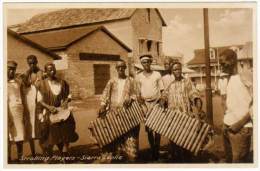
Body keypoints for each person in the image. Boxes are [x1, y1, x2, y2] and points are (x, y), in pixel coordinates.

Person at [98, 60, 139, 163]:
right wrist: (103, 105)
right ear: (116, 69)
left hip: (127, 113)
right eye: (118, 67)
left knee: (129, 135)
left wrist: (131, 98)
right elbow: (105, 95)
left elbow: (137, 94)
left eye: (122, 67)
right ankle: (118, 157)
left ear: (125, 68)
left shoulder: (132, 81)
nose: (121, 69)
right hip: (114, 113)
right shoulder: (111, 81)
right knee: (114, 135)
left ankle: (130, 157)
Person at [36, 62, 78, 161]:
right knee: (50, 134)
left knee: (65, 130)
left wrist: (66, 101)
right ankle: (48, 155)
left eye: (53, 69)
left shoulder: (62, 82)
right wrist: (49, 107)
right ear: (45, 72)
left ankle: (64, 153)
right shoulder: (41, 84)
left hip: (61, 111)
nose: (52, 71)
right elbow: (39, 100)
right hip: (49, 111)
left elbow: (69, 95)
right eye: (49, 69)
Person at [161, 61, 200, 163]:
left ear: (181, 69)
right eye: (174, 69)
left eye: (178, 69)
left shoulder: (187, 82)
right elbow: (163, 98)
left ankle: (187, 162)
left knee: (187, 142)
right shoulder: (170, 85)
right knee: (174, 143)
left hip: (185, 117)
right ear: (172, 71)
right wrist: (161, 102)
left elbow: (194, 95)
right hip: (173, 119)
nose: (177, 71)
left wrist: (198, 107)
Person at [219, 49, 253, 163]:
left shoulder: (247, 75)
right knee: (229, 162)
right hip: (228, 128)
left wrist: (240, 124)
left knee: (238, 164)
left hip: (241, 129)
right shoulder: (228, 77)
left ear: (233, 60)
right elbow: (230, 103)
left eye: (223, 63)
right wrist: (225, 122)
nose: (221, 67)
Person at [135, 54, 164, 161]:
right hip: (145, 105)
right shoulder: (138, 76)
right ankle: (153, 149)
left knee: (158, 128)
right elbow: (137, 93)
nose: (146, 64)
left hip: (156, 103)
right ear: (141, 64)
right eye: (143, 62)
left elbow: (162, 89)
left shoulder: (157, 74)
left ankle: (157, 149)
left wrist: (161, 101)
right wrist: (142, 104)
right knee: (149, 128)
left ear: (150, 63)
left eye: (147, 62)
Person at [21, 55, 44, 157]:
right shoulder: (26, 74)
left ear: (37, 62)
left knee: (41, 128)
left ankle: (44, 151)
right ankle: (33, 153)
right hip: (29, 104)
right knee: (30, 129)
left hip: (39, 103)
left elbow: (42, 85)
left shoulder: (41, 72)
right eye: (30, 63)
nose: (32, 65)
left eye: (34, 63)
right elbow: (25, 84)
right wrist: (28, 72)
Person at [7, 61, 25, 162]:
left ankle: (20, 156)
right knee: (6, 135)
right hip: (5, 110)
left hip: (17, 110)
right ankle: (7, 157)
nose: (11, 71)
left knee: (19, 133)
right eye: (9, 69)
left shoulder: (18, 82)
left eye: (13, 69)